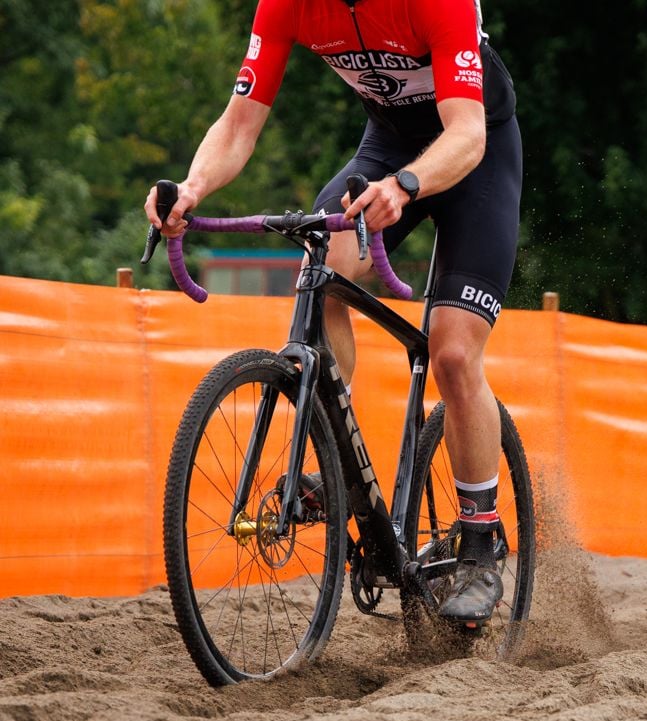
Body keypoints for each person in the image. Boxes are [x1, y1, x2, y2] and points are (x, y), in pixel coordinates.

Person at [144, 0, 522, 623]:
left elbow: (468, 133)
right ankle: (340, 463)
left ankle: (481, 542)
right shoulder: (286, 5)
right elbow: (239, 124)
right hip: (387, 146)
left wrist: (404, 187)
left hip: (473, 156)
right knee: (319, 273)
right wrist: (190, 189)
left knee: (453, 352)